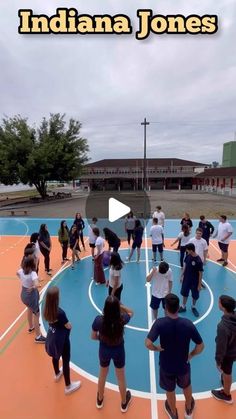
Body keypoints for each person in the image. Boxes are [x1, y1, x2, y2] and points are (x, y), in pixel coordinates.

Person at [145, 294, 204, 419]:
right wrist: (191, 355)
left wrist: (157, 349)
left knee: (170, 390)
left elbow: (148, 343)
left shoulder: (159, 323)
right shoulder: (188, 324)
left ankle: (173, 412)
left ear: (165, 307)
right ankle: (188, 410)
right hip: (183, 365)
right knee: (187, 386)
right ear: (178, 307)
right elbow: (200, 346)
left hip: (166, 366)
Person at [91, 296, 133, 412]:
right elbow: (131, 312)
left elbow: (93, 336)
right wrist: (120, 306)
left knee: (102, 374)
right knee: (121, 377)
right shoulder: (122, 320)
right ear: (116, 309)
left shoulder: (98, 320)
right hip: (118, 350)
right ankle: (124, 403)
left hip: (104, 350)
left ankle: (99, 399)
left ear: (105, 308)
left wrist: (103, 338)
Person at [44, 286, 81, 395]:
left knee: (55, 356)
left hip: (52, 336)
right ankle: (68, 386)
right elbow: (68, 325)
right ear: (56, 298)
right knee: (65, 360)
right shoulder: (60, 312)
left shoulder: (47, 309)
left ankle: (57, 374)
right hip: (62, 339)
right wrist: (70, 326)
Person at [211, 295, 236, 404]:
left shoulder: (223, 327)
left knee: (227, 371)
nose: (218, 303)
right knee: (227, 371)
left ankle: (226, 395)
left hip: (229, 353)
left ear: (223, 307)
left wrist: (218, 361)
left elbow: (221, 347)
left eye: (219, 302)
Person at [17, 256, 46, 342]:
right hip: (31, 295)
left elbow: (17, 273)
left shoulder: (21, 271)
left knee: (29, 308)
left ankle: (31, 327)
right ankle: (38, 337)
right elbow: (36, 284)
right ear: (32, 264)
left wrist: (24, 281)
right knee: (37, 314)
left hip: (23, 294)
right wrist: (34, 286)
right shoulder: (33, 273)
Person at [179, 243, 203, 318]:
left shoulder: (198, 260)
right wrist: (182, 275)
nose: (186, 251)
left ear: (191, 250)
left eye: (187, 250)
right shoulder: (188, 256)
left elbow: (200, 273)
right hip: (186, 279)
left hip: (195, 281)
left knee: (195, 295)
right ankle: (183, 306)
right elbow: (185, 266)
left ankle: (193, 307)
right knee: (184, 293)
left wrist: (199, 284)